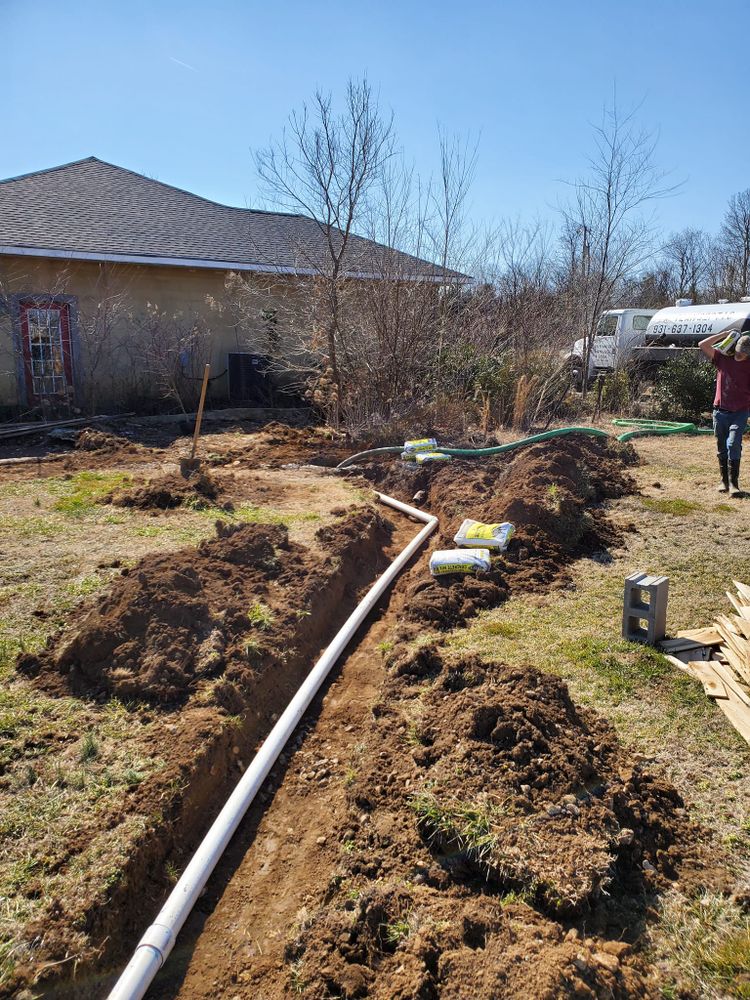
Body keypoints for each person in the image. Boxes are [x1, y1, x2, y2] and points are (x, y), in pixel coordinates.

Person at [699, 331, 750, 496]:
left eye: (746, 353)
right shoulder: (722, 359)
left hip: (740, 412)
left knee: (733, 443)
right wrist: (725, 334)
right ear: (736, 347)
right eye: (740, 350)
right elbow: (702, 345)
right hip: (720, 411)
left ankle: (734, 484)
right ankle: (724, 481)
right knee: (722, 447)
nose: (742, 355)